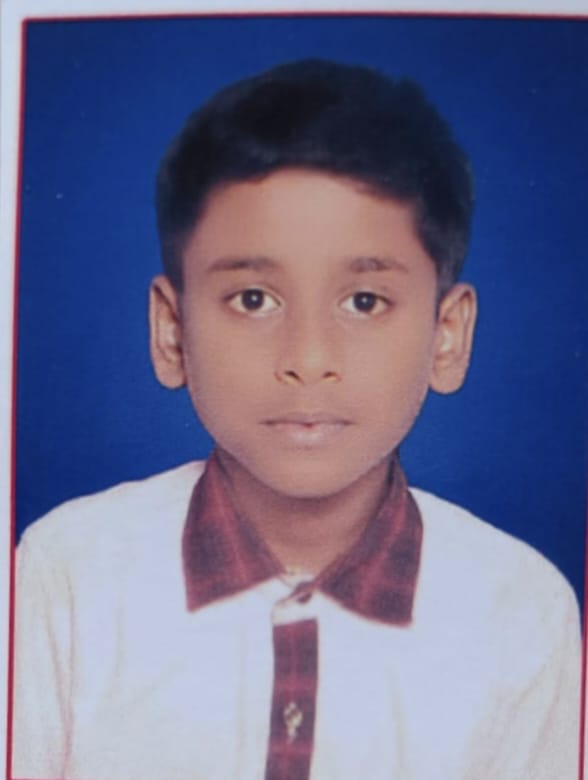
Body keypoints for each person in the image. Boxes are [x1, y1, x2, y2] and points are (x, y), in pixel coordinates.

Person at [12, 59, 580, 780]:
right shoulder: (65, 573)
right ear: (171, 331)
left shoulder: (523, 610)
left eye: (364, 302)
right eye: (253, 299)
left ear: (447, 336)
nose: (309, 360)